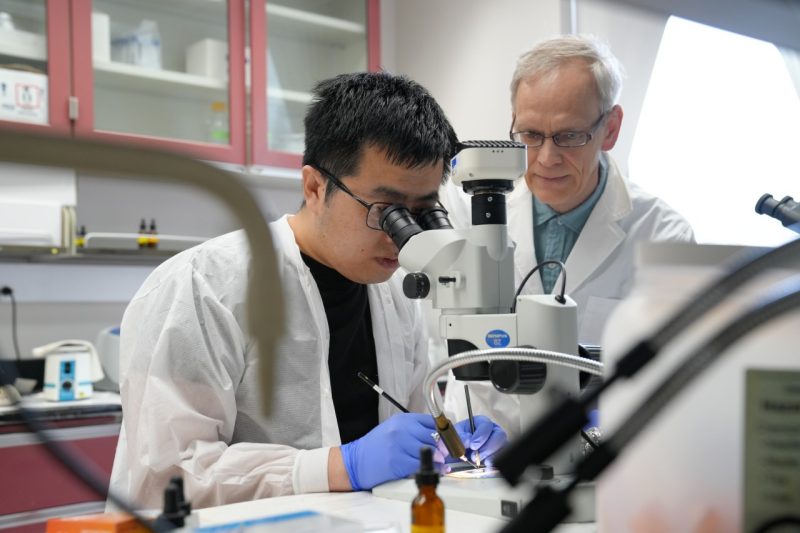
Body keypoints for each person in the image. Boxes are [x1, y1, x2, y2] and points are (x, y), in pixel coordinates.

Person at [109, 72, 506, 510]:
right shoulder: (202, 286)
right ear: (315, 187)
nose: (404, 237)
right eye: (387, 211)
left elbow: (411, 431)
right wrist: (341, 466)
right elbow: (166, 476)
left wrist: (447, 437)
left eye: (424, 211)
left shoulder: (395, 292)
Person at [442, 35, 695, 437]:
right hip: (482, 444)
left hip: (598, 452)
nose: (546, 158)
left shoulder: (662, 235)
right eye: (529, 135)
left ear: (609, 129)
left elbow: (667, 375)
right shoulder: (466, 207)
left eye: (568, 136)